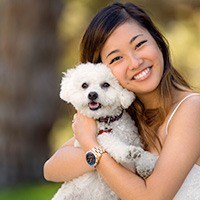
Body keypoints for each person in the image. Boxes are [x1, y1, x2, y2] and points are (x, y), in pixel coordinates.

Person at [44, 2, 200, 199]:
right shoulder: (123, 117)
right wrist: (101, 151)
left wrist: (92, 146)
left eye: (140, 44)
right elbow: (51, 169)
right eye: (117, 58)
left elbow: (151, 197)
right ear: (103, 72)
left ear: (157, 41)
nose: (135, 63)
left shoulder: (192, 109)